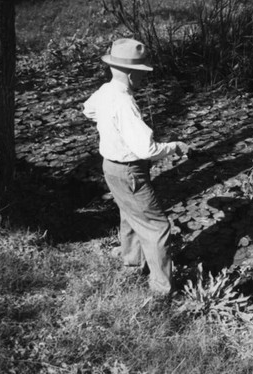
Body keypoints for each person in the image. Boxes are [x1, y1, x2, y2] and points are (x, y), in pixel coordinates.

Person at [83, 38, 189, 295]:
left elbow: (88, 110)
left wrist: (112, 128)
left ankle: (131, 265)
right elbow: (147, 150)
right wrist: (174, 146)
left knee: (129, 216)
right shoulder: (126, 103)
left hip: (110, 167)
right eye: (143, 74)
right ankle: (161, 290)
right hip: (131, 171)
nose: (145, 79)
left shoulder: (106, 91)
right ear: (131, 74)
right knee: (157, 226)